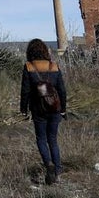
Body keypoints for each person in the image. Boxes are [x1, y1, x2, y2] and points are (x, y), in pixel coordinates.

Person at [19, 38, 67, 184]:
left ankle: (48, 164)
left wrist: (24, 109)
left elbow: (25, 91)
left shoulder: (28, 67)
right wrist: (63, 109)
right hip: (55, 109)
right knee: (53, 139)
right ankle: (57, 173)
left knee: (41, 139)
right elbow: (62, 90)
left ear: (30, 52)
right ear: (45, 51)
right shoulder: (54, 66)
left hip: (38, 109)